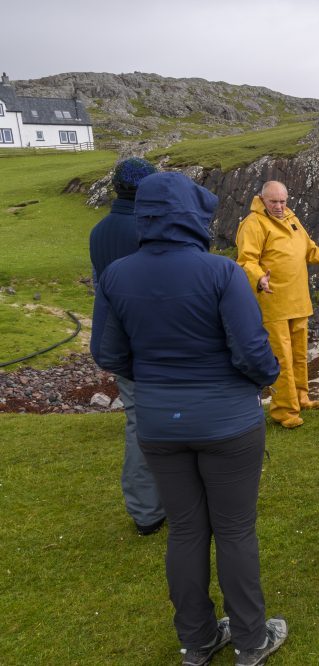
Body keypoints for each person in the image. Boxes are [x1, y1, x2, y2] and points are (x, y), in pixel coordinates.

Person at [91, 172, 288, 665]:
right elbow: (252, 352)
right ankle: (249, 640)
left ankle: (197, 641)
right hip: (227, 422)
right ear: (192, 214)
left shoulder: (116, 274)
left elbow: (108, 353)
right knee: (236, 530)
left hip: (160, 424)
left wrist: (158, 381)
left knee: (185, 530)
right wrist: (263, 377)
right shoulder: (220, 273)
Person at [88, 157, 166, 536]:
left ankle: (147, 508)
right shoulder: (148, 230)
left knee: (139, 422)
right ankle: (155, 508)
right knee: (160, 423)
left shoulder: (99, 232)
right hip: (156, 344)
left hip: (120, 345)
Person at [236, 180, 319, 429]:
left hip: (299, 301)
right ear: (262, 199)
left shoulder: (292, 220)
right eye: (274, 201)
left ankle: (301, 397)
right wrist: (259, 279)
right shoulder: (253, 224)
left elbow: (313, 252)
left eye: (283, 201)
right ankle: (284, 411)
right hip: (273, 302)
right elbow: (246, 261)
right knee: (281, 359)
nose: (279, 206)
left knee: (298, 355)